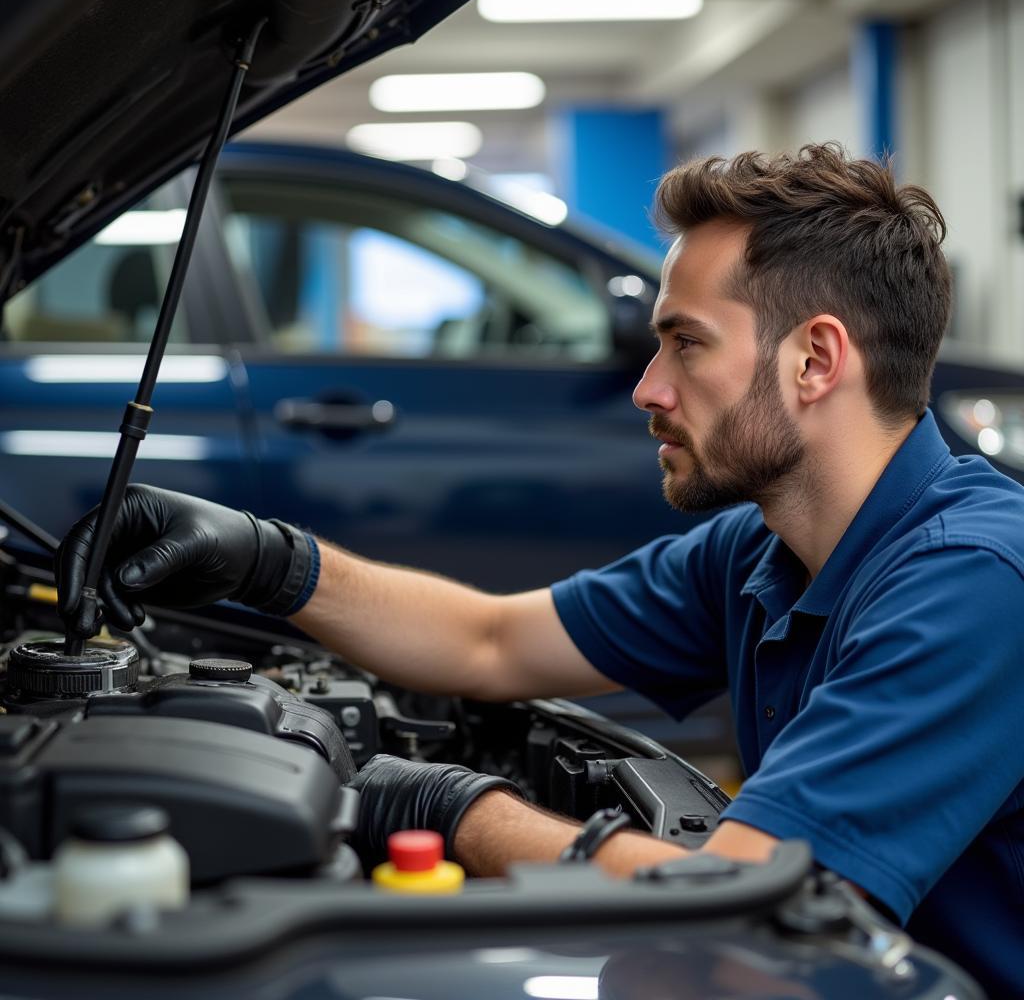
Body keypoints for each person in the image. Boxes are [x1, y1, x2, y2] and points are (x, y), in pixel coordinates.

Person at [57, 144, 1024, 996]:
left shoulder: (971, 584)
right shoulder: (763, 550)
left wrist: (461, 809)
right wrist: (270, 560)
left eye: (686, 344)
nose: (648, 388)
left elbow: (736, 900)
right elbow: (491, 640)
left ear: (815, 360)